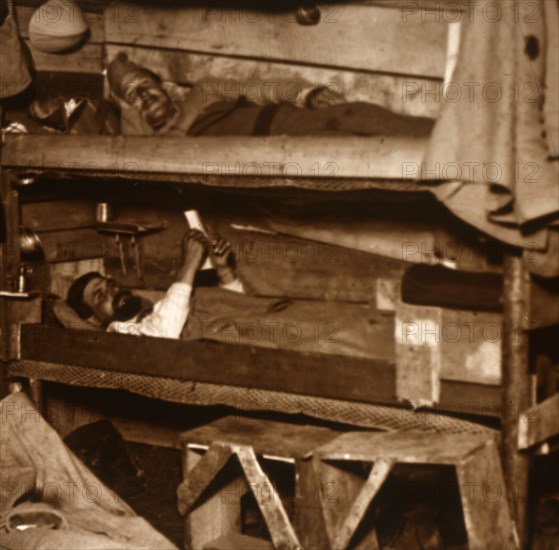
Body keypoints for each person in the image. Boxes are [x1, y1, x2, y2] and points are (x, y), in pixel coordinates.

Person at [107, 52, 434, 138]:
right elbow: (129, 143)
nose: (145, 96)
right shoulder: (156, 149)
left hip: (286, 120)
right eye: (133, 96)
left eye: (146, 86)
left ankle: (460, 146)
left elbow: (266, 89)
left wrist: (308, 94)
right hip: (282, 152)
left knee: (361, 115)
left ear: (163, 86)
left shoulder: (203, 92)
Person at [66, 230, 244, 339]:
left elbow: (234, 315)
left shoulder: (155, 312)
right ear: (93, 320)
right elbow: (162, 338)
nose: (113, 292)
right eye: (100, 296)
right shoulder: (118, 336)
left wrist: (224, 271)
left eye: (111, 285)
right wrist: (189, 263)